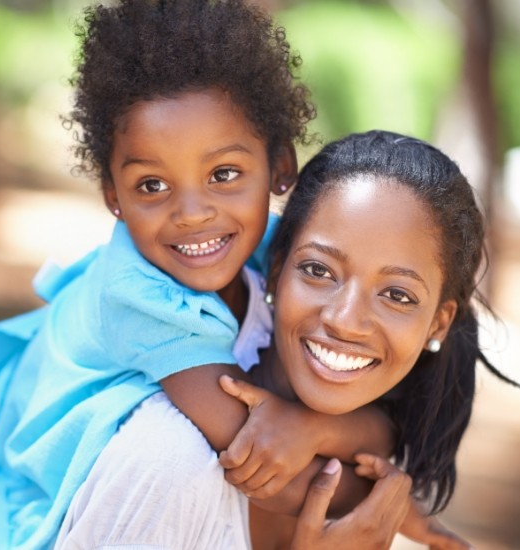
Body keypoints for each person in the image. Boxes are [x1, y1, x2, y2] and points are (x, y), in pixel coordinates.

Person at [0, 2, 396, 549]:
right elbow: (257, 463)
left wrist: (321, 429)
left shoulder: (278, 251)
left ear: (280, 168)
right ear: (113, 196)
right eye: (152, 185)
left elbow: (366, 426)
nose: (193, 213)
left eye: (223, 174)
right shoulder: (140, 297)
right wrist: (389, 503)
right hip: (4, 495)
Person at [215, 130, 519, 548]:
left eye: (397, 295)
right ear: (276, 269)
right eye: (319, 271)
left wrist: (319, 431)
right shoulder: (168, 446)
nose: (346, 321)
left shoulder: (370, 486)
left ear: (438, 324)